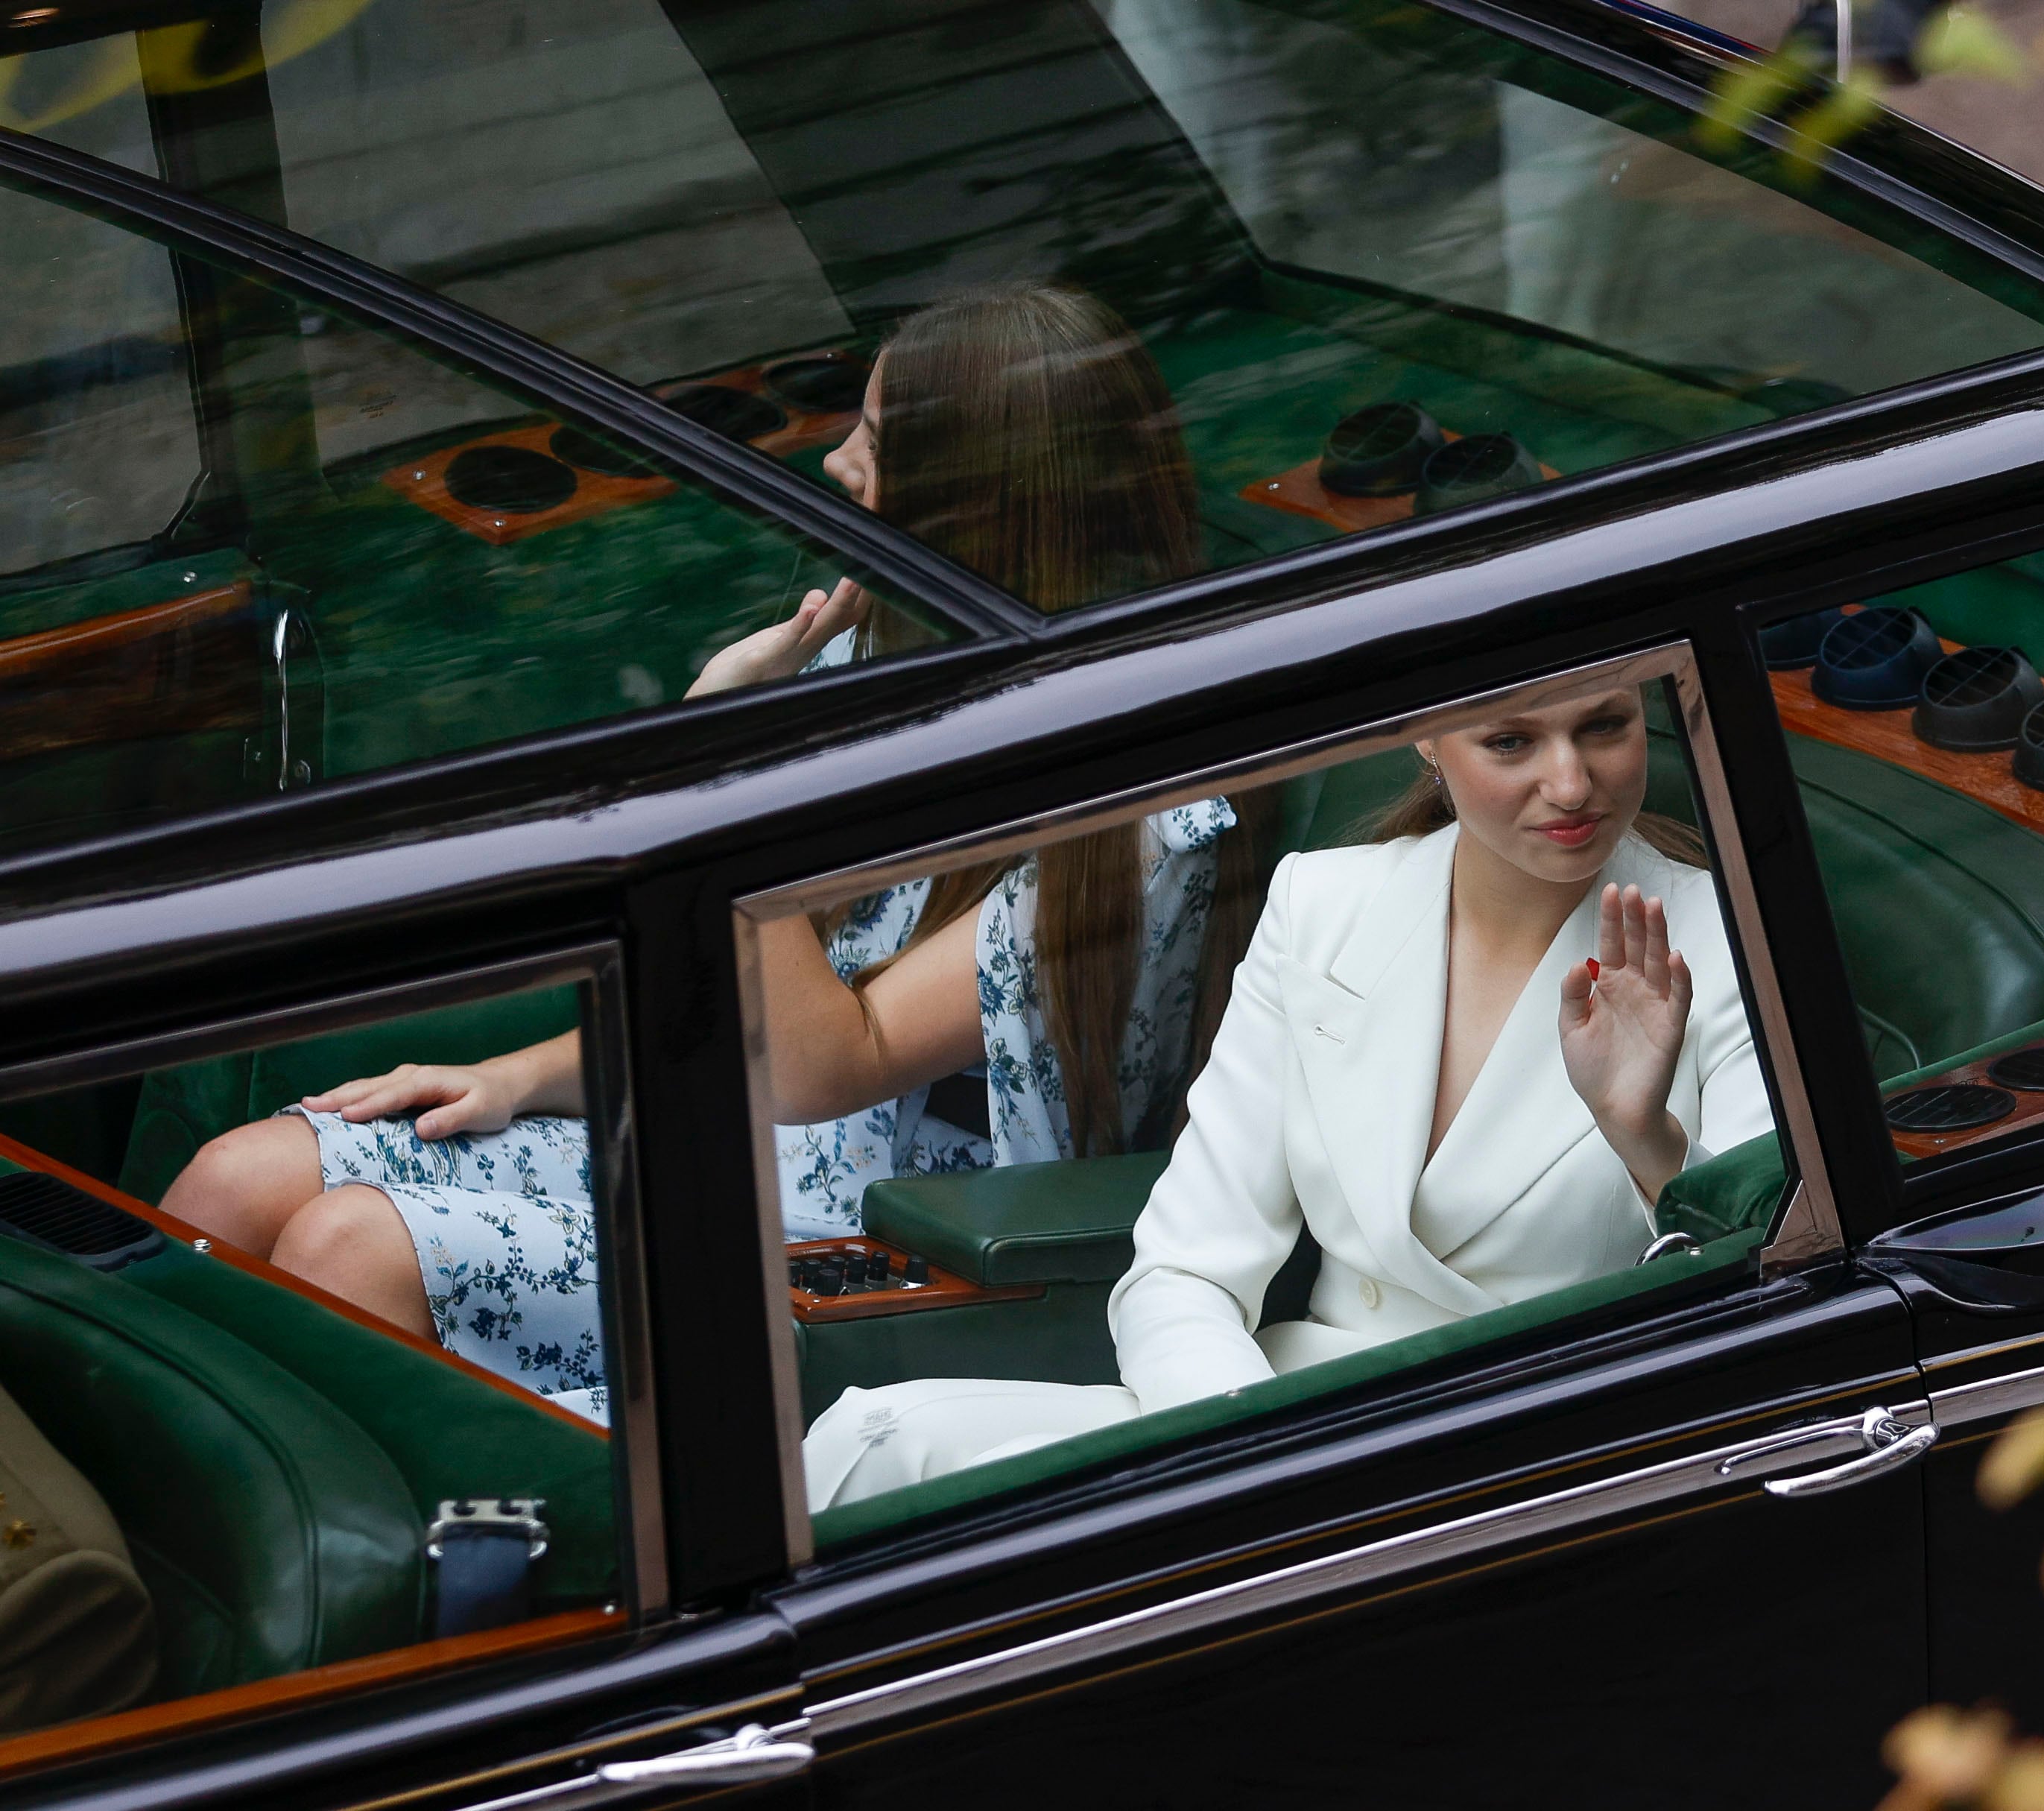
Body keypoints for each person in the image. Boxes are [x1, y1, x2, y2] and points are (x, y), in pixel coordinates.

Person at [162, 284, 1261, 1411]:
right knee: (232, 1183)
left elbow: (823, 1054)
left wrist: (726, 756)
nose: (836, 462)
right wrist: (518, 1078)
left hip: (903, 1228)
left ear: (971, 501)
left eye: (873, 443)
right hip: (745, 1134)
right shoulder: (894, 662)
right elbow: (741, 996)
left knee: (352, 1247)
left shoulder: (1139, 820)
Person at [802, 683, 1774, 1509]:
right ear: (1426, 736)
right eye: (1512, 739)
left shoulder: (1721, 944)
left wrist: (1644, 1137)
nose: (1570, 783)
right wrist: (1256, 1461)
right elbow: (1182, 1271)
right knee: (869, 1441)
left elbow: (1761, 1303)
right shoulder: (1321, 902)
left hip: (1516, 1459)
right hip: (1280, 1414)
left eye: (1602, 727)